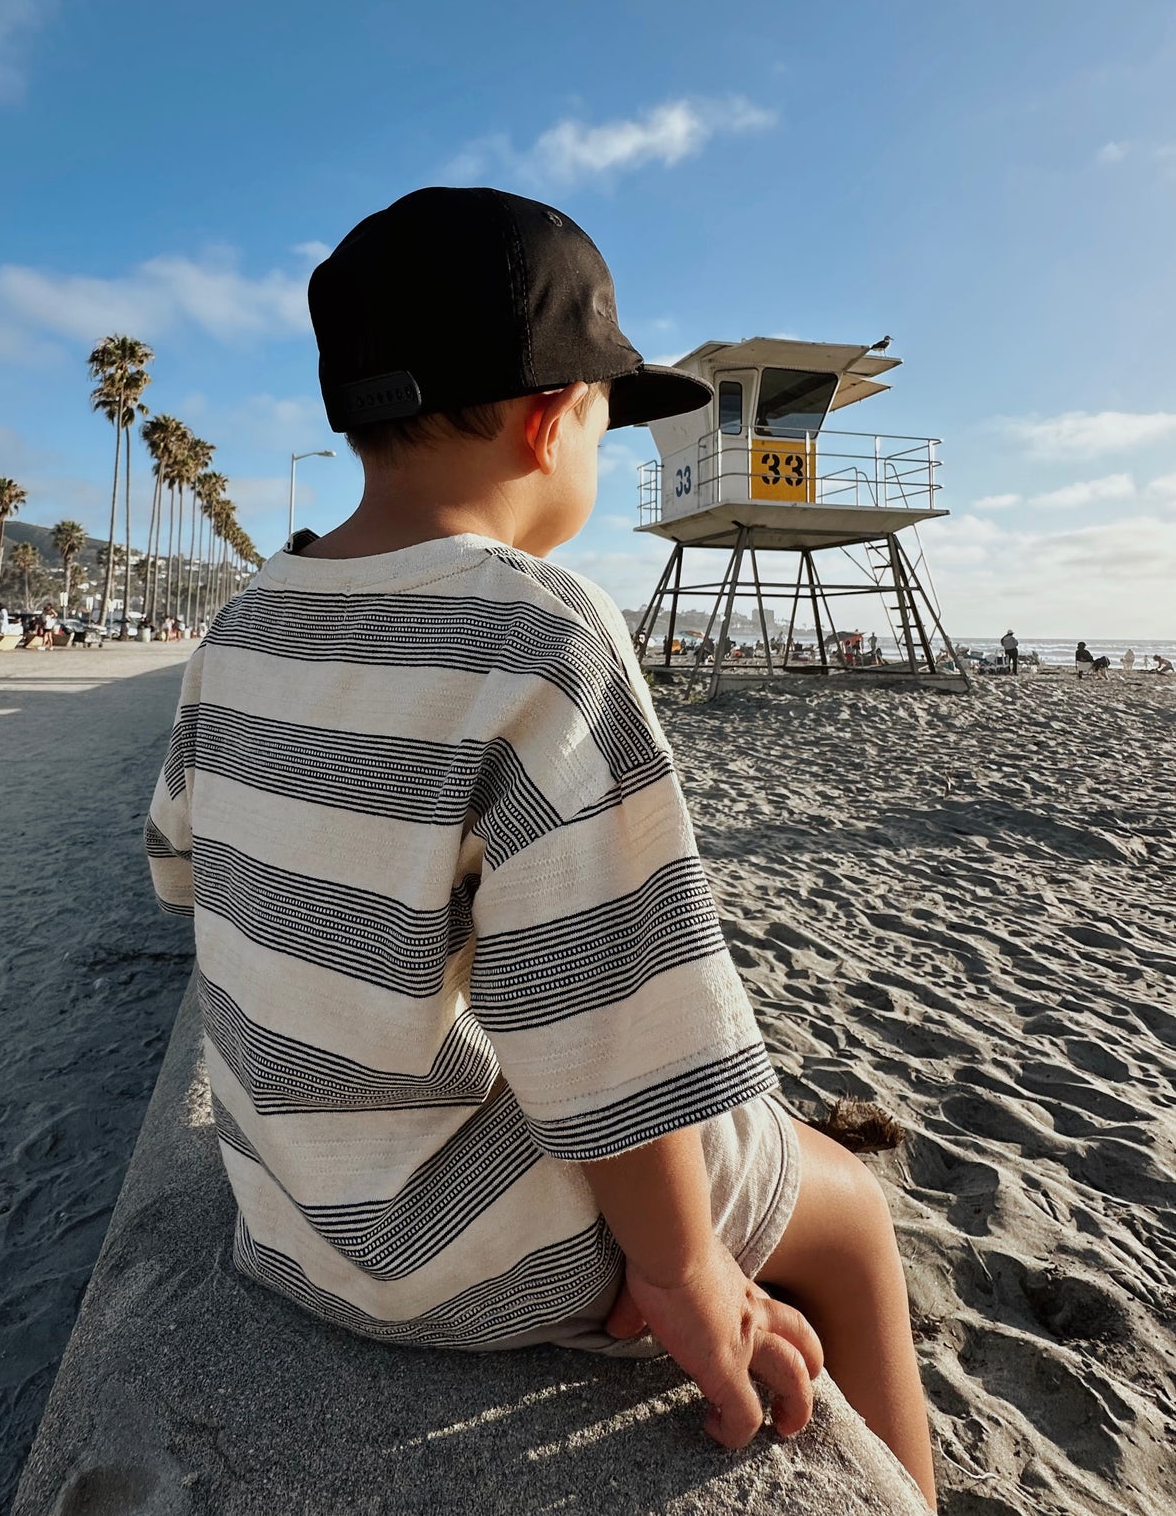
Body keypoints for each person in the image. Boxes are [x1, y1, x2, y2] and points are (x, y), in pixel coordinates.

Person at [143, 187, 938, 1509]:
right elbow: (609, 1019)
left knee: (732, 1133)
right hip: (466, 1255)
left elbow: (183, 868)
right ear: (549, 415)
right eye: (608, 420)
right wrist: (685, 1275)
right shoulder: (542, 632)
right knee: (849, 1212)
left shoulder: (240, 629)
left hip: (290, 1218)